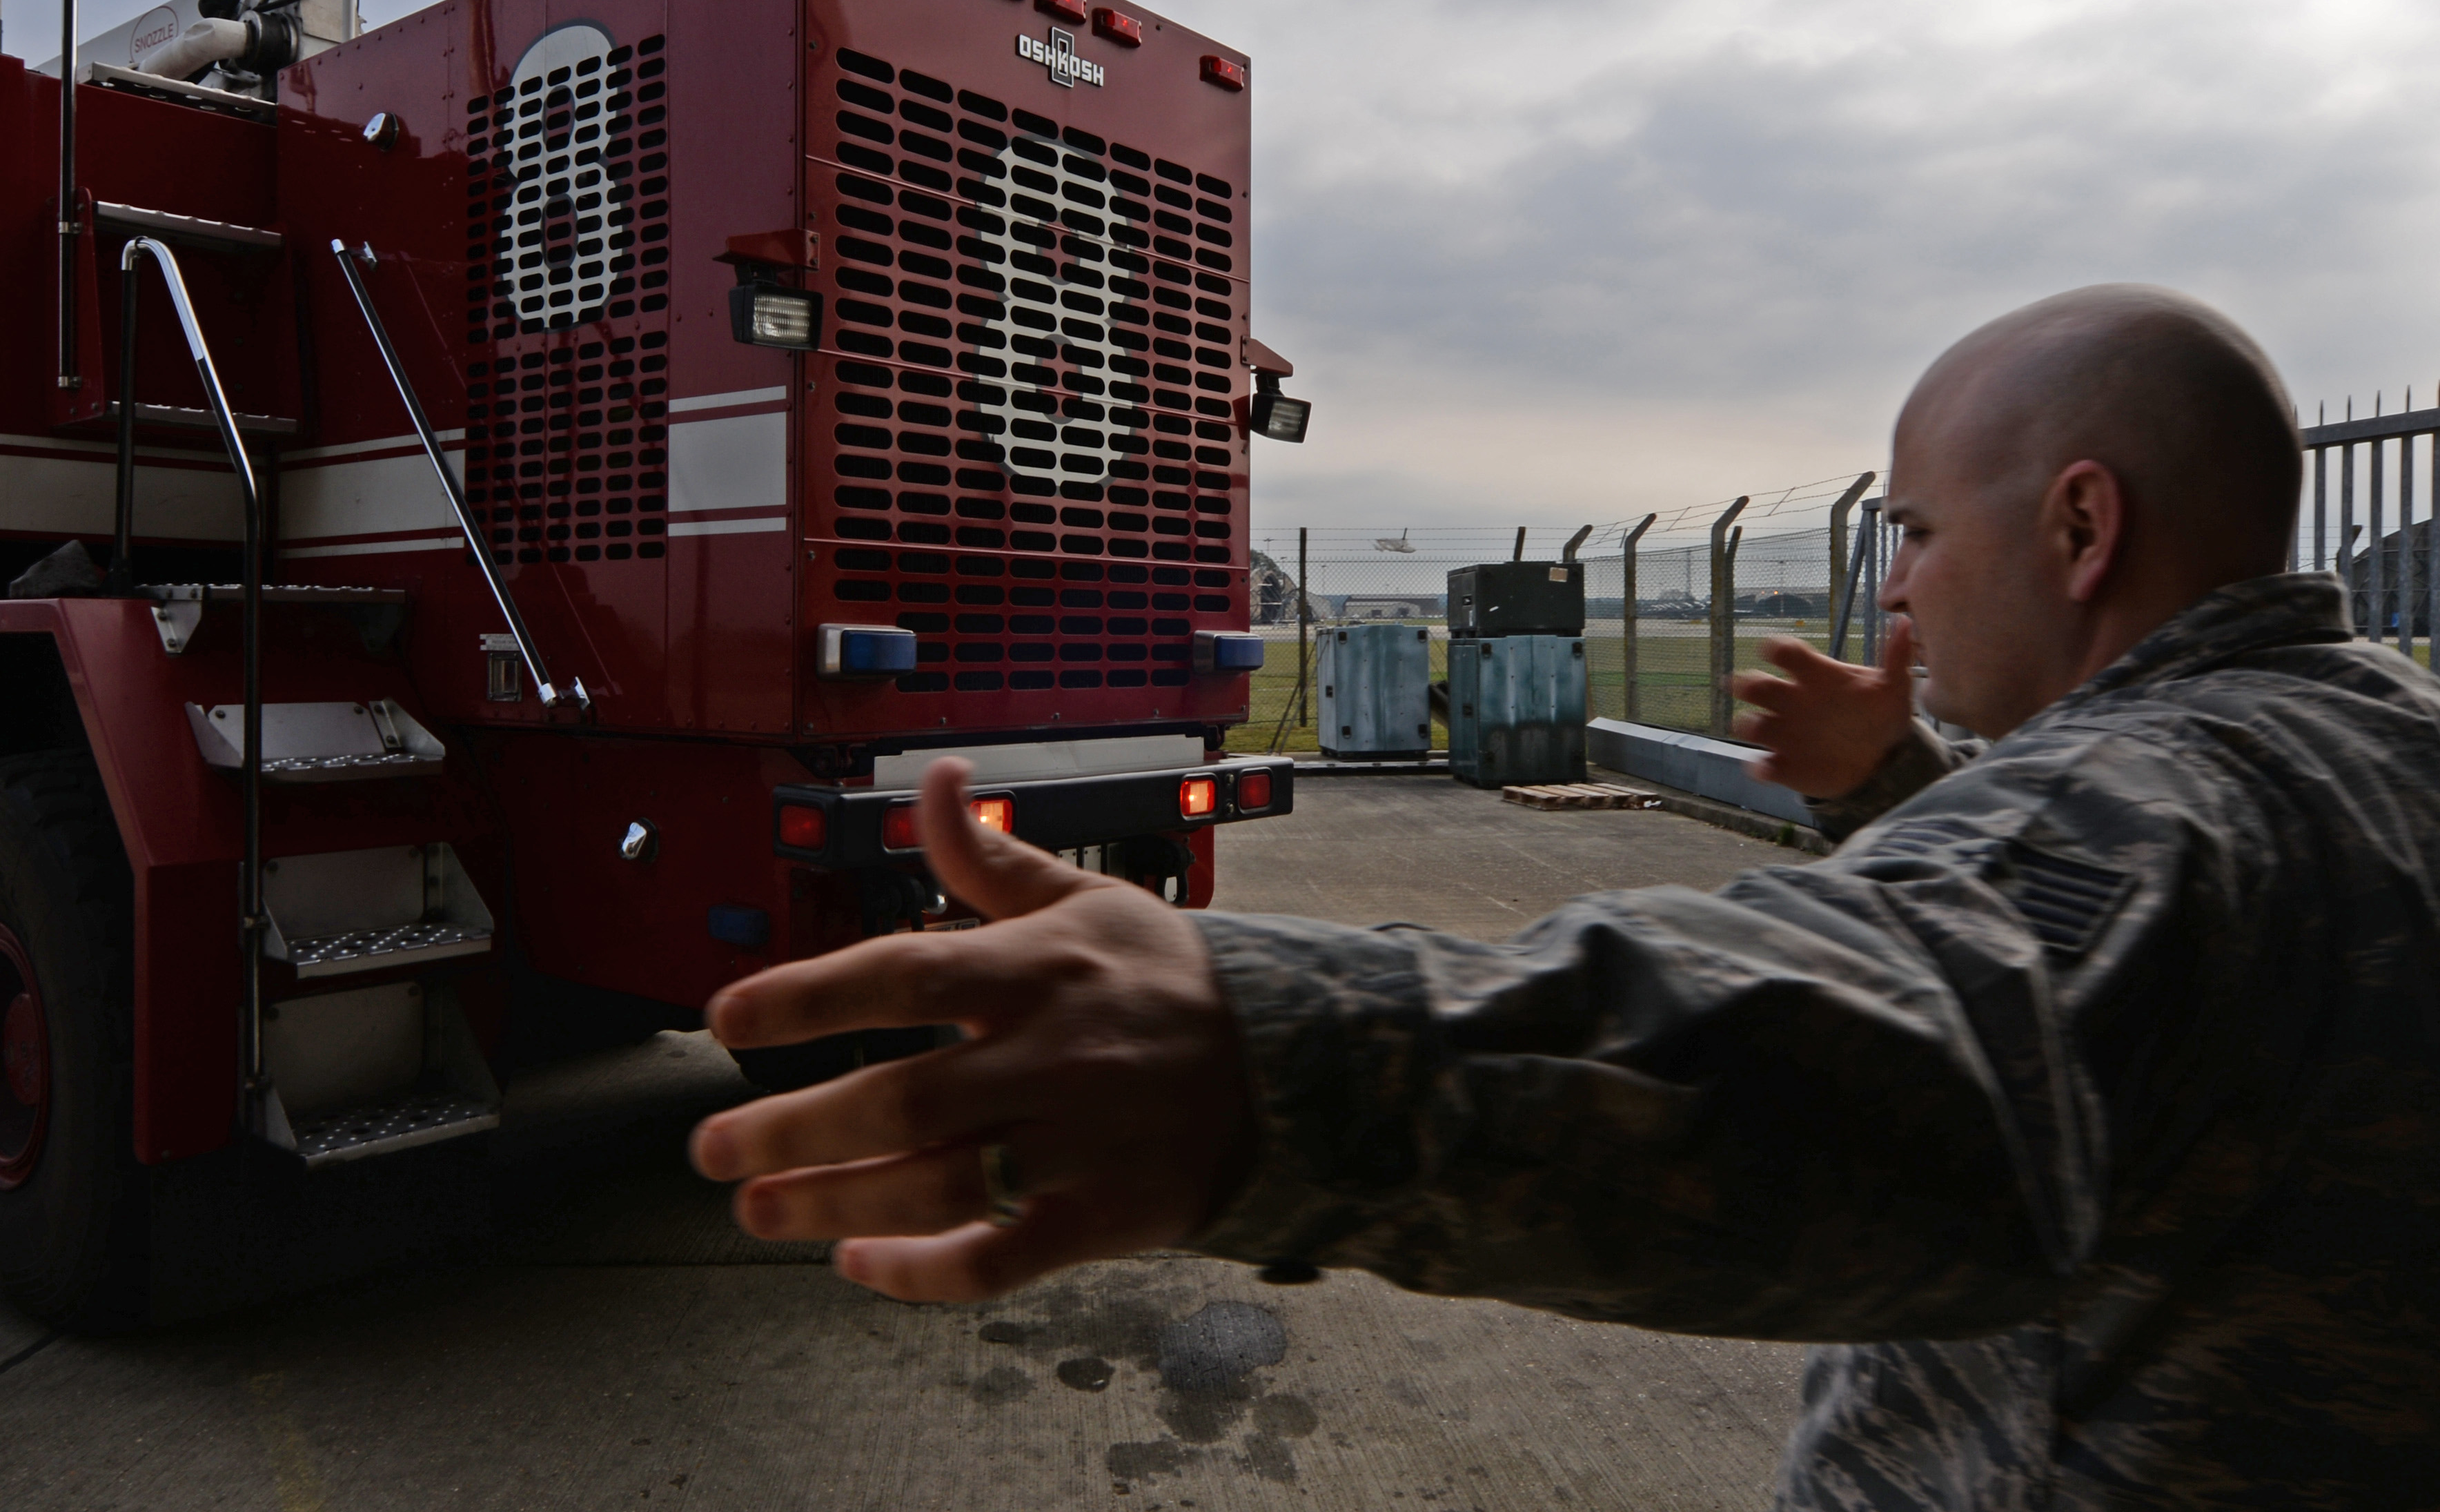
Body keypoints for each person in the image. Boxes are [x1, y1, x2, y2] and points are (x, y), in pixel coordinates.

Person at [691, 284, 2439, 1507]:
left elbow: (1910, 1046)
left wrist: (1273, 1054)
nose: (1895, 585)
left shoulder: (2156, 811)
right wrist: (1899, 792)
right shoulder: (2376, 748)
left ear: (2080, 525)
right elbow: (2145, 988)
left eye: (1914, 528)